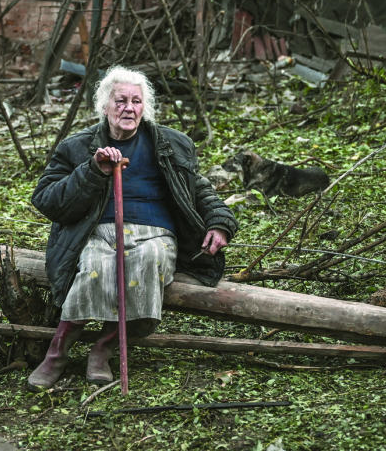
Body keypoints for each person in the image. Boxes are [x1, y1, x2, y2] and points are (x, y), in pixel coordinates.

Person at [28, 66, 238, 390]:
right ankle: (57, 353)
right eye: (121, 100)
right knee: (97, 265)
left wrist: (220, 223)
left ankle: (103, 347)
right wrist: (92, 170)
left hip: (155, 234)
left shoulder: (169, 144)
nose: (129, 108)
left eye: (137, 101)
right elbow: (46, 199)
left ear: (145, 107)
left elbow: (199, 189)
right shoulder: (76, 147)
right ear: (105, 106)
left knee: (147, 261)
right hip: (97, 232)